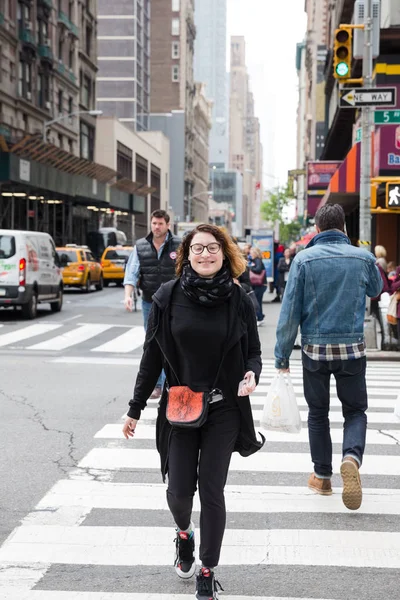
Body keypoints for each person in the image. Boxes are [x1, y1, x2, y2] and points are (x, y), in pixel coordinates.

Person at [122, 224, 264, 599]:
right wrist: (135, 407)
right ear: (186, 253)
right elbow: (151, 355)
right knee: (179, 491)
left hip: (224, 409)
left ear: (225, 253)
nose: (205, 254)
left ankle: (206, 569)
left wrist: (252, 374)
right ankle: (184, 534)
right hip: (181, 407)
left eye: (213, 248)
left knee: (212, 489)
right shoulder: (168, 297)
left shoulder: (240, 298)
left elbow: (253, 351)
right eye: (198, 248)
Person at [274, 204, 382, 511]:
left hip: (315, 352)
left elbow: (290, 311)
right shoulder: (362, 257)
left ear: (317, 229)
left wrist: (282, 355)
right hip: (352, 350)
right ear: (344, 228)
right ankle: (351, 457)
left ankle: (322, 476)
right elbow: (376, 289)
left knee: (318, 413)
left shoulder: (303, 259)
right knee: (356, 411)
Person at [123, 209, 181, 399]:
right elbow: (131, 273)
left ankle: (170, 382)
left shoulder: (179, 245)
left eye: (160, 224)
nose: (156, 227)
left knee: (173, 340)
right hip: (149, 301)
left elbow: (185, 271)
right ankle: (158, 384)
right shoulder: (140, 246)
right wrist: (128, 296)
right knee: (153, 342)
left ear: (167, 225)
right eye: (154, 223)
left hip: (174, 301)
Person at [248, 246, 266, 325]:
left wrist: (250, 268)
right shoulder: (255, 260)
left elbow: (258, 270)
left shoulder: (257, 260)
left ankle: (260, 317)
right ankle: (260, 316)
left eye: (251, 253)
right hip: (259, 284)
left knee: (257, 301)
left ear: (255, 253)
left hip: (260, 284)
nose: (250, 254)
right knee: (258, 301)